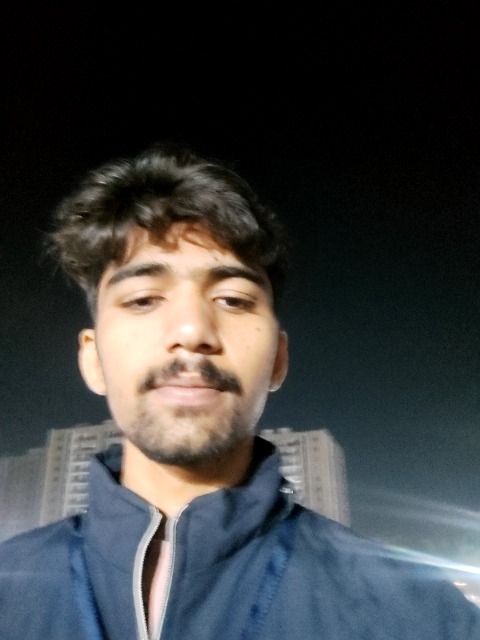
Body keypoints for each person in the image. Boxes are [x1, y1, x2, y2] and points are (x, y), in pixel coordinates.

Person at [0, 141, 479, 640]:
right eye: (143, 299)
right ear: (92, 359)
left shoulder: (419, 616)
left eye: (232, 299)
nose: (192, 330)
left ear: (278, 359)